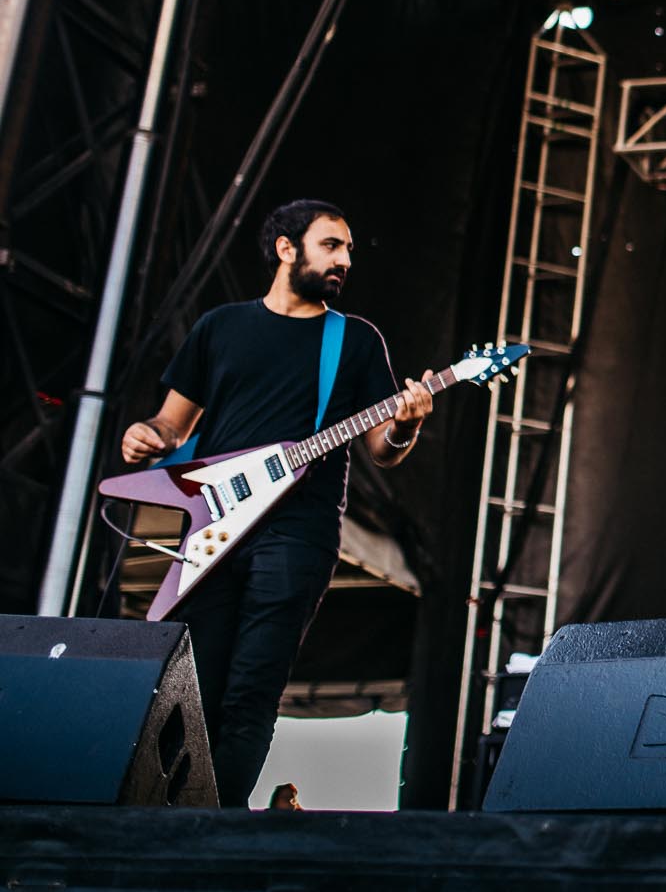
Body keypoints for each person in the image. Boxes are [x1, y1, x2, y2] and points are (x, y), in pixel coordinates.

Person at [119, 199, 432, 808]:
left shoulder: (355, 340)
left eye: (347, 250)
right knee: (190, 682)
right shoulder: (220, 327)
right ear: (287, 249)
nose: (343, 260)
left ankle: (219, 822)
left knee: (252, 690)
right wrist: (148, 435)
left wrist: (405, 425)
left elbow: (381, 450)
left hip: (298, 531)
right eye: (330, 245)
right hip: (215, 525)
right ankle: (166, 817)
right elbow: (172, 425)